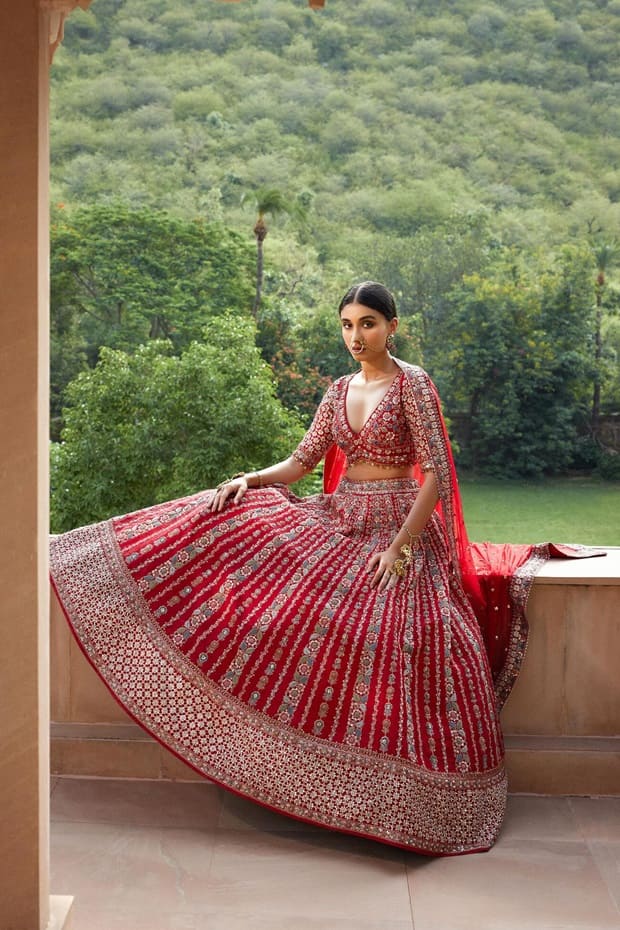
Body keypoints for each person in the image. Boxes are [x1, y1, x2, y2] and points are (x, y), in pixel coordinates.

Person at [49, 282, 530, 855]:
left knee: (400, 630)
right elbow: (303, 462)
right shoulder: (336, 390)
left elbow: (434, 474)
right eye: (348, 325)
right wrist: (251, 479)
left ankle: (405, 801)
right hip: (341, 514)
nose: (357, 336)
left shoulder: (413, 385)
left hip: (398, 528)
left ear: (392, 326)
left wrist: (400, 547)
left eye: (369, 324)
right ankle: (84, 557)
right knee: (237, 530)